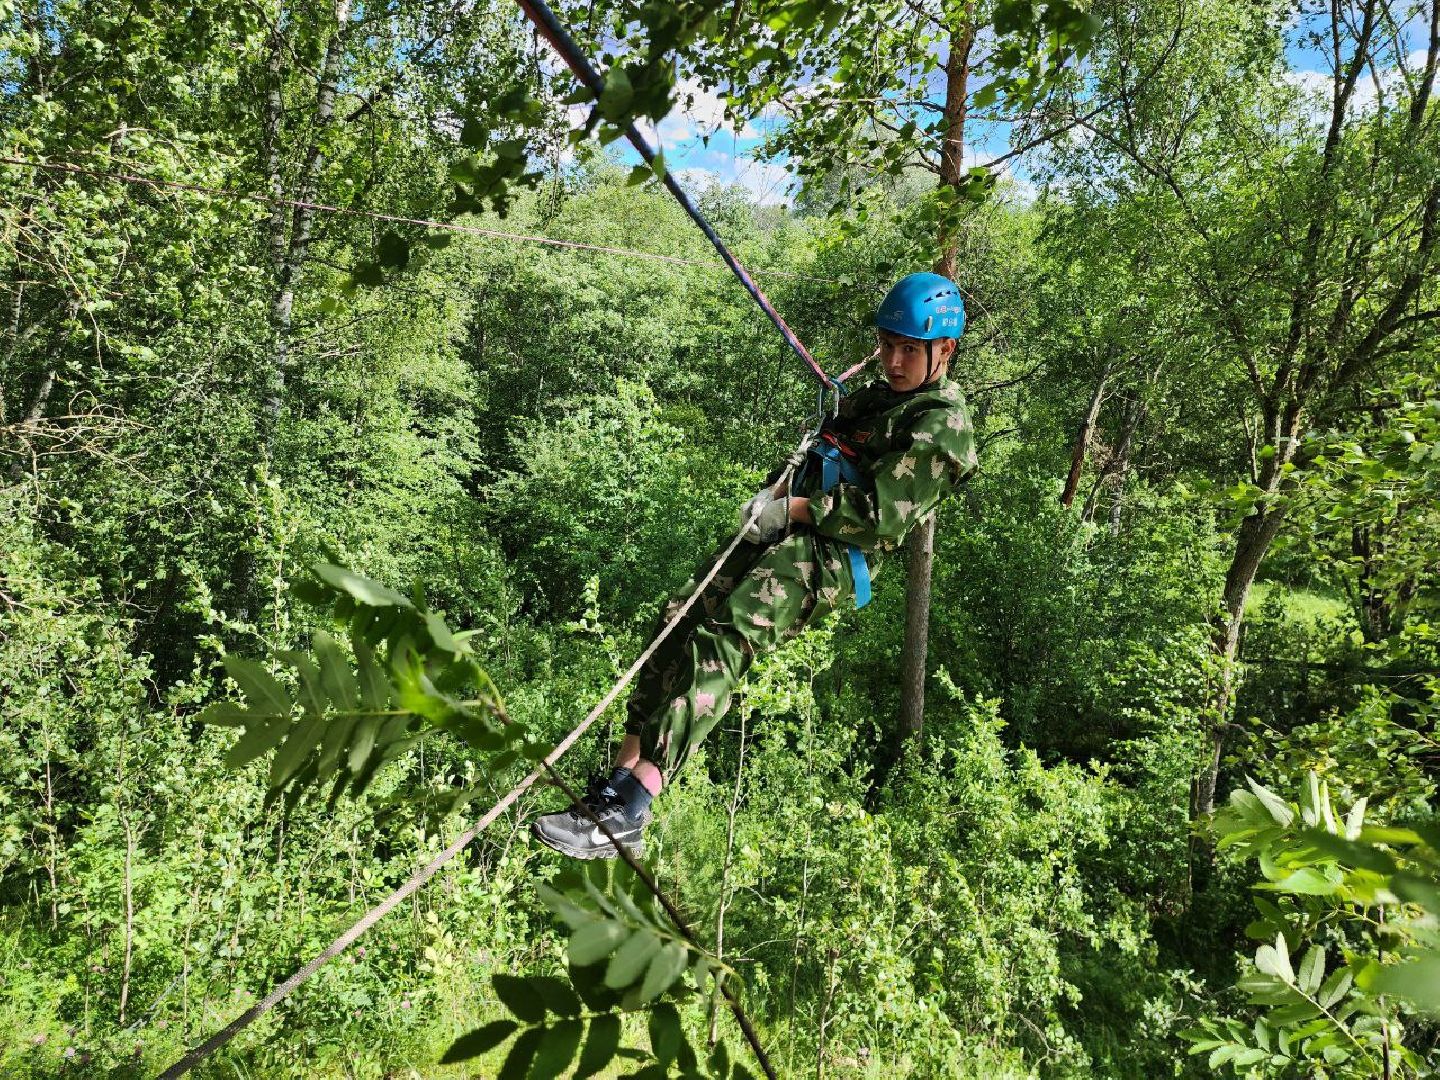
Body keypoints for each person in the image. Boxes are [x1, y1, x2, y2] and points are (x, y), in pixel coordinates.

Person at [531, 272, 979, 859]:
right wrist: (781, 490)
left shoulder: (941, 424)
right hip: (790, 526)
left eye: (908, 350)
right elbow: (830, 442)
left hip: (828, 557)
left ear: (943, 351)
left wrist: (792, 507)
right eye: (886, 344)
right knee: (678, 622)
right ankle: (614, 784)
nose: (893, 361)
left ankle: (633, 805)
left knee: (726, 637)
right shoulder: (880, 397)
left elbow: (879, 517)